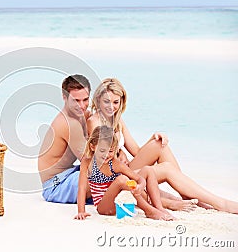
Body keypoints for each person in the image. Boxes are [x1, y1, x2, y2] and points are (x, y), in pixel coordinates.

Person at [88, 77, 238, 214]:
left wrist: (152, 139)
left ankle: (188, 195)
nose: (111, 107)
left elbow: (137, 151)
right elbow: (101, 157)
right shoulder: (94, 122)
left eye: (116, 102)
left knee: (160, 144)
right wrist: (119, 154)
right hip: (112, 178)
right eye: (107, 101)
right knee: (166, 168)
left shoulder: (118, 121)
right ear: (98, 100)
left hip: (124, 170)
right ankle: (220, 203)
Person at [74, 125, 175, 220]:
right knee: (122, 179)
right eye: (102, 150)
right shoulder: (87, 162)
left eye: (110, 151)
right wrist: (81, 211)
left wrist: (140, 186)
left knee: (147, 170)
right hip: (104, 207)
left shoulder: (116, 164)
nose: (106, 155)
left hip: (119, 202)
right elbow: (82, 188)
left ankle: (159, 207)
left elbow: (138, 178)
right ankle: (149, 211)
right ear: (92, 147)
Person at [38, 74, 92, 203]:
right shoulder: (68, 123)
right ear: (64, 97)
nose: (82, 105)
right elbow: (91, 163)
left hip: (70, 172)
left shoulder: (81, 115)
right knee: (108, 177)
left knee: (116, 172)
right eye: (76, 100)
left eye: (85, 99)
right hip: (55, 185)